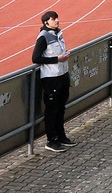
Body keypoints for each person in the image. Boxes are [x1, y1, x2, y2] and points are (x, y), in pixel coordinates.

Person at [32, 11, 75, 152]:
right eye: (53, 19)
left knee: (61, 108)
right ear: (46, 22)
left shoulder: (58, 33)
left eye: (57, 18)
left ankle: (61, 136)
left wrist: (65, 56)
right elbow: (36, 58)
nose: (56, 20)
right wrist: (57, 59)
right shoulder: (43, 37)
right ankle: (51, 140)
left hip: (62, 75)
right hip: (51, 78)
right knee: (52, 110)